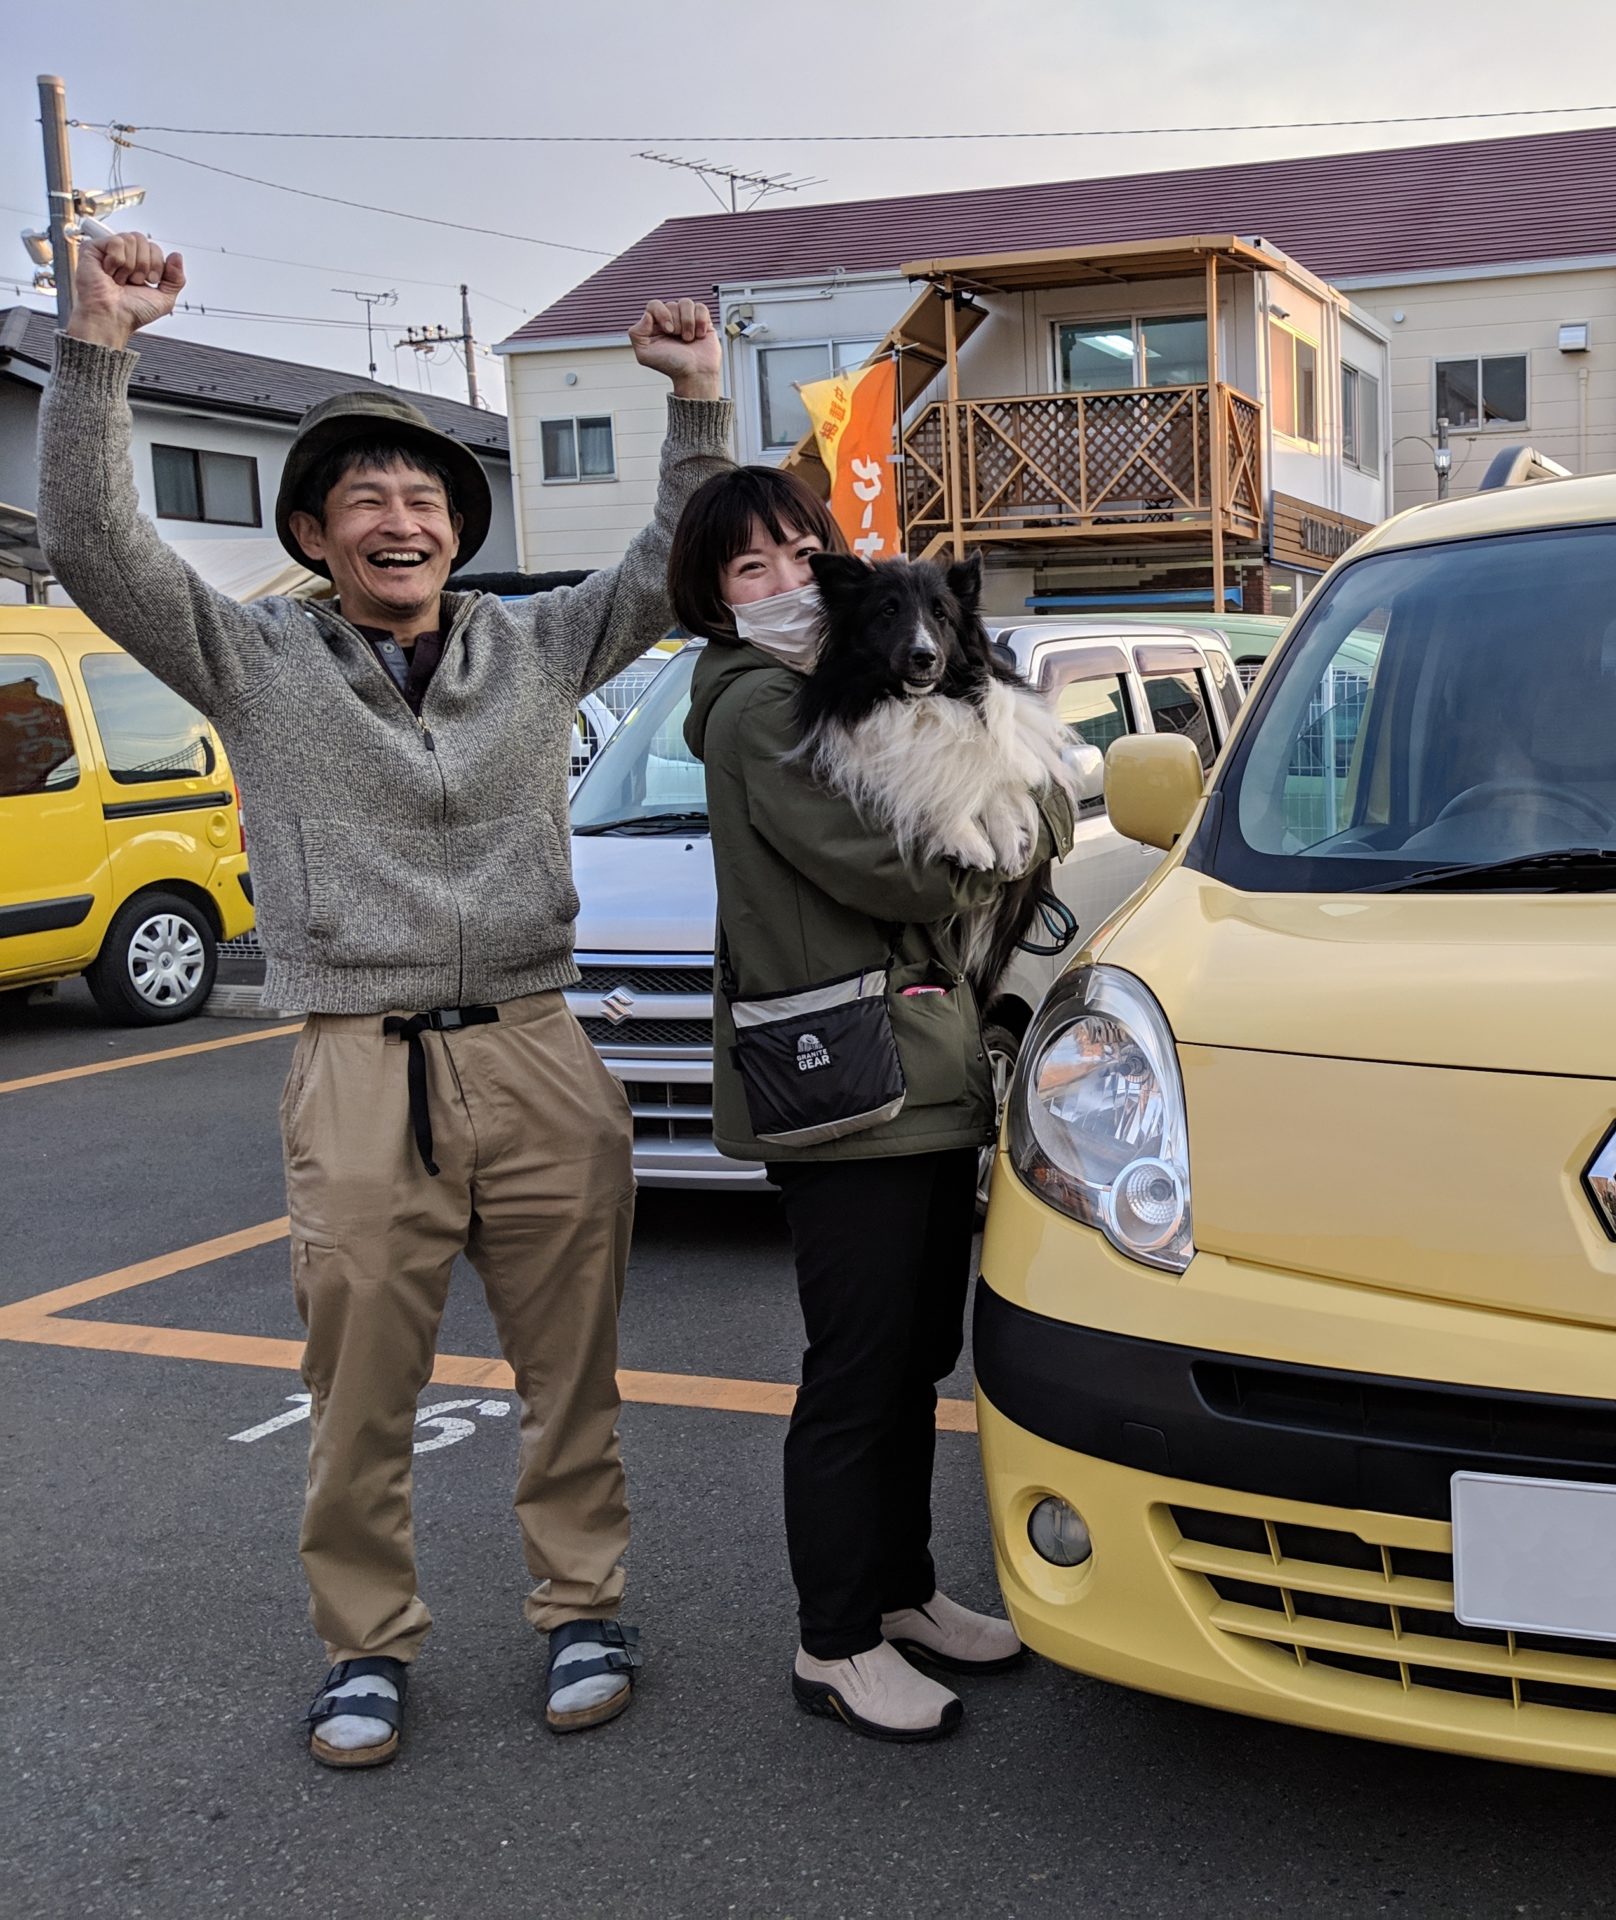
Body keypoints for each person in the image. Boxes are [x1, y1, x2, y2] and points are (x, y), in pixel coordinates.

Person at [36, 231, 736, 1768]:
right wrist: (98, 352)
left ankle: (582, 1608)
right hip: (359, 1065)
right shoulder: (255, 657)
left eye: (425, 500)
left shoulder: (540, 646)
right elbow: (95, 547)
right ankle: (366, 1646)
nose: (400, 519)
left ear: (459, 533)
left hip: (544, 1047)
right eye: (366, 501)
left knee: (574, 1368)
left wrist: (696, 401)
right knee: (358, 1386)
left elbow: (673, 563)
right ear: (314, 533)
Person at [670, 467, 1073, 1741]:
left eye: (801, 553)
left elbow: (1041, 801)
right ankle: (833, 1641)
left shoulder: (837, 686)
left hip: (924, 1071)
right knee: (857, 1370)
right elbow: (905, 873)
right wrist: (999, 836)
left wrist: (1020, 812)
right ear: (714, 597)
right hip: (845, 1085)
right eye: (751, 569)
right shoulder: (753, 708)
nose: (786, 584)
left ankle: (899, 1591)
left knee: (913, 1357)